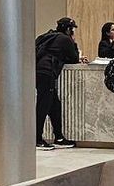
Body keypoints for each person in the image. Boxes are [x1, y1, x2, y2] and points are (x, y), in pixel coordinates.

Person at [34, 16, 80, 149]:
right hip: (47, 73)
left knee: (54, 105)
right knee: (43, 106)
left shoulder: (49, 36)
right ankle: (37, 139)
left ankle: (59, 137)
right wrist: (73, 42)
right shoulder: (65, 39)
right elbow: (74, 58)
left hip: (39, 71)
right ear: (68, 29)